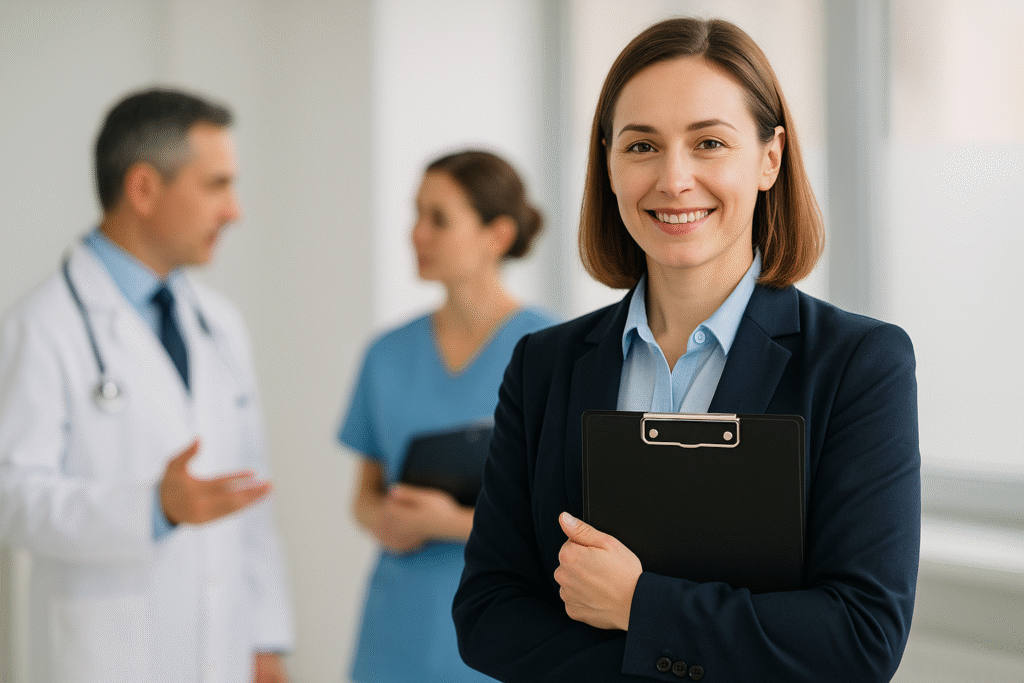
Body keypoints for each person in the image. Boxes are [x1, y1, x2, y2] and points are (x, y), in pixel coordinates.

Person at [452, 17, 919, 683]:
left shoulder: (859, 365)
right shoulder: (543, 365)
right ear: (608, 163)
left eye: (708, 142)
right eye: (642, 146)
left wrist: (639, 605)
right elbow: (487, 614)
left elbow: (859, 636)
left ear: (770, 158)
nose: (674, 179)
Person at [0, 88, 294, 683]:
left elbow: (249, 498)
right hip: (104, 659)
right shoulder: (43, 326)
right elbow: (11, 498)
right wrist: (151, 508)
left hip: (223, 653)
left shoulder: (219, 324)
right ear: (143, 190)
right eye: (216, 185)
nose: (234, 210)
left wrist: (265, 642)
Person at [338, 150, 557, 683]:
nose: (417, 234)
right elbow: (364, 495)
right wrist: (382, 519)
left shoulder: (552, 354)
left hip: (503, 634)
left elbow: (565, 520)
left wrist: (448, 524)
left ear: (497, 235)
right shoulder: (387, 353)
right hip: (395, 633)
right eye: (416, 215)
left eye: (439, 219)